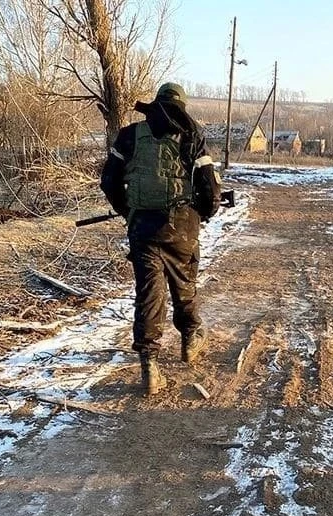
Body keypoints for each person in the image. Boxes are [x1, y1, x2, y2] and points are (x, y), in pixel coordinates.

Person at [100, 82, 221, 395]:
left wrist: (128, 211)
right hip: (182, 227)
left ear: (155, 104)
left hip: (142, 228)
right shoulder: (191, 135)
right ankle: (190, 338)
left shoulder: (129, 135)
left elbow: (109, 181)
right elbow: (210, 191)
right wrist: (203, 214)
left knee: (149, 294)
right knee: (184, 285)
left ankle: (150, 366)